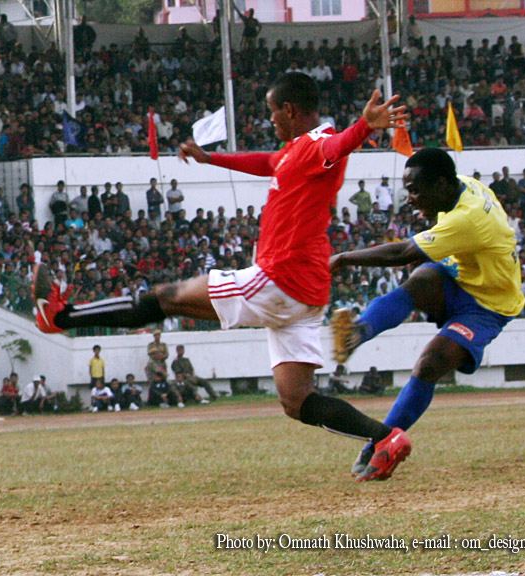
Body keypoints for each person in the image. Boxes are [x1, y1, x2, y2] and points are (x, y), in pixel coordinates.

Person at [32, 72, 411, 482]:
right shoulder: (295, 152)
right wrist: (211, 158)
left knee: (167, 296)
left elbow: (337, 147)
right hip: (305, 295)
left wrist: (363, 127)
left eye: (272, 113)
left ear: (289, 110)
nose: (270, 121)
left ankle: (61, 316)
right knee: (297, 401)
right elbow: (266, 162)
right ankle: (385, 439)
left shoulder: (318, 144)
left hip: (278, 278)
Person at [329, 147, 525, 480]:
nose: (411, 198)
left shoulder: (468, 217)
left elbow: (403, 252)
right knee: (422, 278)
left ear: (443, 185)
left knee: (430, 363)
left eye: (417, 190)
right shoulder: (459, 186)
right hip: (461, 278)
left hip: (489, 304)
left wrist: (345, 257)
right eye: (409, 190)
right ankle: (358, 331)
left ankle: (379, 443)